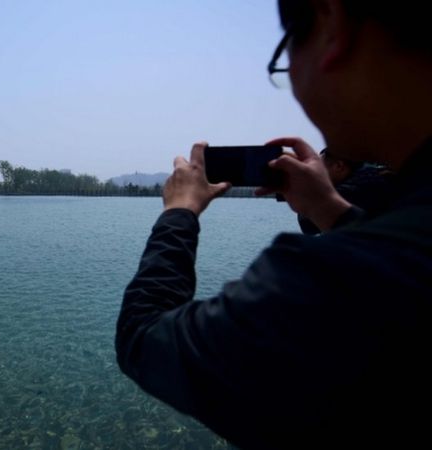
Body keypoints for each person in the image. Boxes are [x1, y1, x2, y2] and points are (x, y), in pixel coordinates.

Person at [115, 1, 432, 449]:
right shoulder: (401, 241)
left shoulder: (327, 282)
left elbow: (143, 338)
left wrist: (179, 213)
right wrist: (329, 207)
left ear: (331, 24)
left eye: (282, 57)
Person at [297, 149, 393, 234]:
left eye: (320, 168)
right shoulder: (371, 176)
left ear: (339, 166)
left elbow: (308, 224)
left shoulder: (353, 190)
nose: (316, 173)